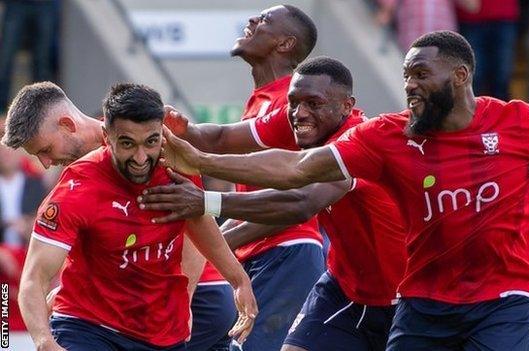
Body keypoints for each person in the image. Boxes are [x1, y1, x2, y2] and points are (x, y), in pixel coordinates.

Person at [160, 31, 529, 348]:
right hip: (417, 297)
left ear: (460, 76)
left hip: (501, 298)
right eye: (406, 76)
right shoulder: (387, 136)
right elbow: (300, 169)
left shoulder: (517, 122)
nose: (410, 86)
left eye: (421, 74)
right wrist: (199, 161)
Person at [139, 57, 407, 351]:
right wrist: (178, 132)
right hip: (343, 286)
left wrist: (207, 201)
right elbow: (222, 138)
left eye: (313, 104)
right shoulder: (296, 119)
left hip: (397, 292)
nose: (299, 112)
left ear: (346, 105)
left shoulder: (357, 141)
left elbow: (300, 202)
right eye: (293, 102)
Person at [16, 83, 257, 351]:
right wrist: (44, 342)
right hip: (91, 326)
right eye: (128, 144)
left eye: (45, 150)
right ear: (108, 137)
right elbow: (34, 276)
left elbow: (197, 221)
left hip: (180, 306)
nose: (141, 157)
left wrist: (237, 279)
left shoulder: (173, 161)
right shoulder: (74, 189)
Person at [162, 5, 323, 350]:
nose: (252, 21)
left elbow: (298, 204)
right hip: (259, 257)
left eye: (264, 20)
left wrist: (213, 248)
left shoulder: (291, 103)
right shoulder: (261, 102)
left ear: (285, 43)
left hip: (288, 252)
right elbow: (216, 140)